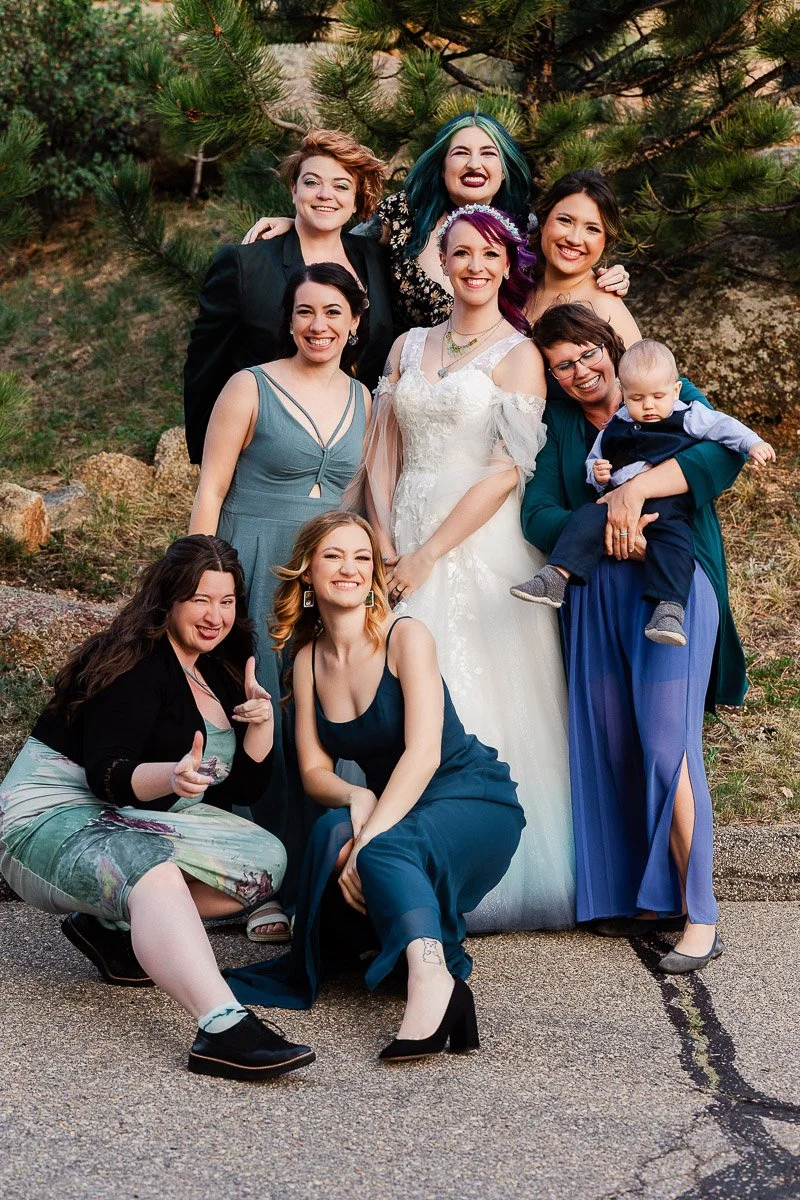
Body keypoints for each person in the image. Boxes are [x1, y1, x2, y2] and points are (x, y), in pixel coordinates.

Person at [0, 535, 314, 1080]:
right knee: (154, 871)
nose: (215, 615)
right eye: (199, 600)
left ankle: (112, 930)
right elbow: (108, 776)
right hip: (46, 819)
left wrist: (261, 728)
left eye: (226, 600)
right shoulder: (136, 663)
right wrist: (170, 775)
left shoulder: (219, 666)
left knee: (262, 864)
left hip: (123, 816)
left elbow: (245, 790)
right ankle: (221, 1027)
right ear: (168, 599)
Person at [225, 512, 525, 1063]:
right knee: (328, 834)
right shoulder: (307, 660)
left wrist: (367, 840)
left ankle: (433, 983)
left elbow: (424, 753)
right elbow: (315, 771)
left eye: (362, 557)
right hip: (395, 805)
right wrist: (355, 796)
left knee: (378, 847)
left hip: (468, 794)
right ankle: (385, 939)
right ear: (307, 571)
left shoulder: (406, 636)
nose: (350, 568)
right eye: (334, 556)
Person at [349, 204, 575, 933]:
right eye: (462, 253)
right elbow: (382, 446)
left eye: (490, 255)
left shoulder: (519, 353)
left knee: (476, 693)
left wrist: (427, 553)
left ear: (509, 265)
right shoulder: (408, 346)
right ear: (441, 263)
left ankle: (478, 868)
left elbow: (507, 472)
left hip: (473, 542)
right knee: (392, 692)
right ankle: (387, 858)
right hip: (396, 530)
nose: (475, 266)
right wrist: (383, 536)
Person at [521, 304, 749, 973]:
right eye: (562, 364)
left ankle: (701, 914)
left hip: (671, 583)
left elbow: (718, 459)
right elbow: (538, 511)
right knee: (614, 740)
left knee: (665, 742)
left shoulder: (664, 390)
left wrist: (634, 499)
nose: (580, 370)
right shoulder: (559, 426)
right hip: (595, 597)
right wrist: (607, 513)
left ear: (609, 347)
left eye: (588, 352)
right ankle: (648, 896)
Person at [189, 263, 371, 926]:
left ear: (355, 322)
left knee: (315, 714)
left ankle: (314, 875)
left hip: (326, 576)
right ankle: (247, 884)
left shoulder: (366, 399)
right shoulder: (250, 386)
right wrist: (199, 578)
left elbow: (361, 502)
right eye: (304, 312)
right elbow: (210, 487)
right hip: (255, 559)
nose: (317, 325)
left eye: (331, 312)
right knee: (255, 702)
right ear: (288, 320)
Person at [243, 113, 631, 332]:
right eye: (460, 152)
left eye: (488, 154)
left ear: (504, 169)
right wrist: (299, 225)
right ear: (442, 165)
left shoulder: (526, 228)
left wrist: (609, 274)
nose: (474, 164)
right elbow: (342, 243)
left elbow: (570, 257)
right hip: (407, 385)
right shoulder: (403, 216)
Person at [512, 338, 775, 646]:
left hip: (667, 505)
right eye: (637, 398)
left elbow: (724, 428)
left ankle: (670, 609)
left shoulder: (687, 413)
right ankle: (555, 577)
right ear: (623, 392)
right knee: (585, 519)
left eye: (657, 397)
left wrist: (753, 443)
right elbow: (595, 459)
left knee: (675, 542)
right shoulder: (616, 423)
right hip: (616, 505)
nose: (648, 406)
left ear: (675, 391)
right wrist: (598, 475)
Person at [183, 128, 392, 463]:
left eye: (341, 186)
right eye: (312, 183)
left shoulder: (376, 259)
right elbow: (204, 365)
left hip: (357, 452)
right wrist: (212, 460)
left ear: (356, 199)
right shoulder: (245, 263)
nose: (326, 194)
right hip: (268, 455)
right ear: (294, 189)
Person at [525, 170, 641, 387]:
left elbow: (647, 391)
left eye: (592, 229)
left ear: (606, 241)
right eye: (565, 221)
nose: (574, 238)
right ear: (543, 221)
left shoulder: (604, 306)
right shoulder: (523, 284)